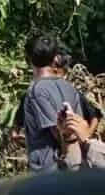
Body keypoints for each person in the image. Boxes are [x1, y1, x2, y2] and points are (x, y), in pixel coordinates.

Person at [21, 33, 97, 173]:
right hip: (74, 164)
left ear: (29, 59)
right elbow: (78, 126)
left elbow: (57, 131)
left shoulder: (37, 91)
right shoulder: (69, 87)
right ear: (55, 57)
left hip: (48, 170)